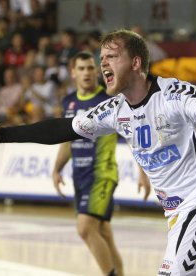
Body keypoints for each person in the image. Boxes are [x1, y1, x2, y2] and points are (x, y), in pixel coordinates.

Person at [0, 29, 196, 276]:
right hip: (178, 216)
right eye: (102, 57)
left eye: (112, 56)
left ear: (136, 63)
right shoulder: (115, 110)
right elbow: (62, 129)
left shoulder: (173, 94)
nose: (103, 63)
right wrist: (4, 134)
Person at [52, 51, 150, 276]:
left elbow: (133, 136)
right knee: (103, 232)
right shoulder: (69, 102)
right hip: (80, 175)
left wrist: (143, 173)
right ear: (73, 73)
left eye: (90, 68)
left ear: (96, 72)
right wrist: (57, 168)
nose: (87, 73)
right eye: (82, 68)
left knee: (85, 229)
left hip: (102, 174)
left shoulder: (110, 100)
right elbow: (68, 140)